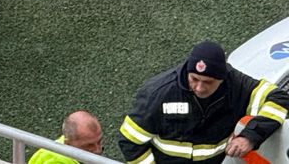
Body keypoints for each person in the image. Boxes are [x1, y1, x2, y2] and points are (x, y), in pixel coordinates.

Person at [119, 40, 289, 163]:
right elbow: (130, 141)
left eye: (208, 82)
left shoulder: (236, 85)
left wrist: (250, 137)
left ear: (222, 78)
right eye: (194, 79)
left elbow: (278, 99)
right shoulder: (159, 93)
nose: (199, 88)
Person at [29, 111, 102, 164]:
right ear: (68, 143)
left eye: (99, 142)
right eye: (89, 145)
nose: (98, 150)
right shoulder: (55, 161)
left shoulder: (65, 145)